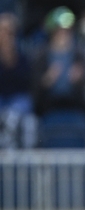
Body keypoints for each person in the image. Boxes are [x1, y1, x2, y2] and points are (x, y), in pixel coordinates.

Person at [31, 6, 85, 117]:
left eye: (67, 31)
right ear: (52, 32)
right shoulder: (41, 54)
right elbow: (35, 86)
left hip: (75, 103)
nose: (63, 35)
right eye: (60, 31)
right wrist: (47, 80)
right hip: (49, 105)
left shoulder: (79, 53)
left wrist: (80, 78)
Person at [0, 12, 37, 150]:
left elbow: (25, 81)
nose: (5, 35)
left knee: (16, 117)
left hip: (19, 99)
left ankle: (11, 151)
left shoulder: (22, 55)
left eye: (8, 31)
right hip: (1, 99)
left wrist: (11, 59)